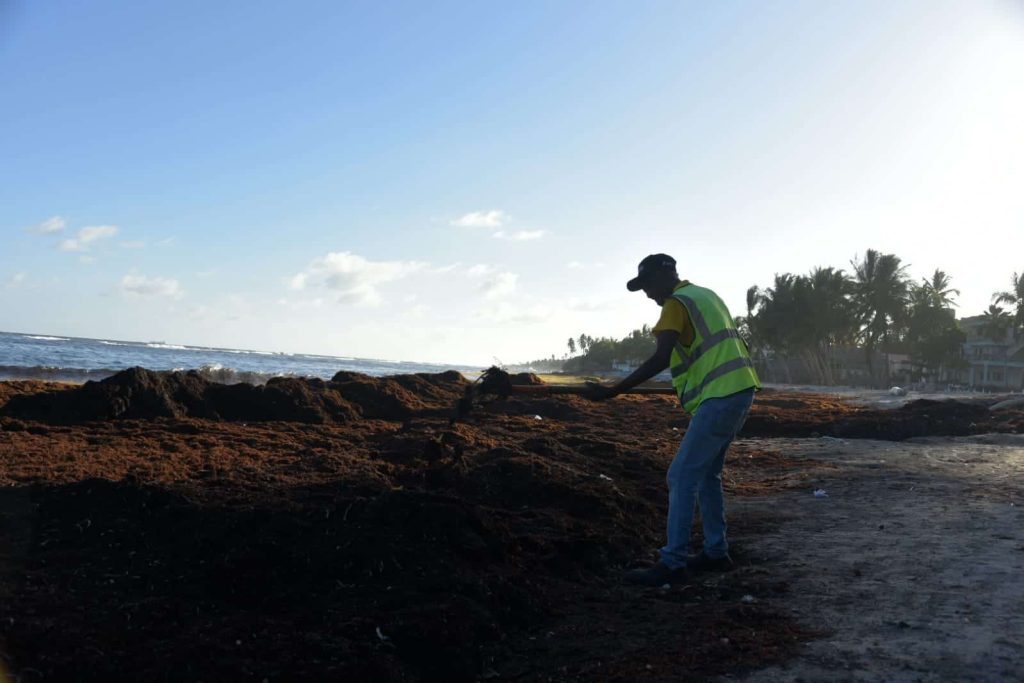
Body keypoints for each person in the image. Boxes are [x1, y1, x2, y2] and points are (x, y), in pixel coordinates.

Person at [586, 254, 760, 586]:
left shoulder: (676, 303)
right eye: (643, 288)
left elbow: (660, 358)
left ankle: (673, 562)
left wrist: (613, 390)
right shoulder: (706, 296)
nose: (648, 294)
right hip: (740, 390)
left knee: (680, 476)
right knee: (708, 474)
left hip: (721, 396)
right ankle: (715, 552)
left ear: (665, 277)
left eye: (648, 284)